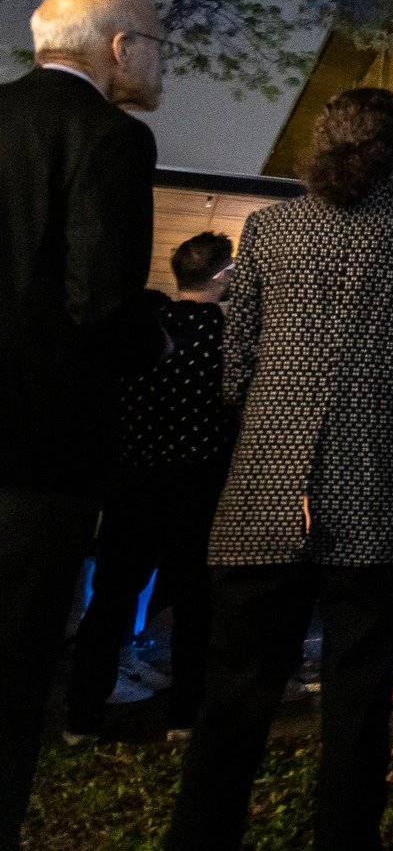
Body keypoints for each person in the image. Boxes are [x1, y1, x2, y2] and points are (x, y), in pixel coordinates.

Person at [166, 87, 393, 850]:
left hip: (265, 488)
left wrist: (270, 427)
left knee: (234, 696)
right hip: (380, 490)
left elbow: (237, 364)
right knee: (360, 702)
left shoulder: (266, 230)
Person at [0, 0, 165, 842]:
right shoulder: (110, 138)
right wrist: (160, 331)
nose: (160, 62)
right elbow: (100, 301)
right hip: (37, 452)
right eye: (157, 44)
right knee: (15, 671)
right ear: (117, 47)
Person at [63, 232, 237, 743]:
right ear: (222, 276)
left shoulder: (147, 329)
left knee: (112, 597)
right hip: (200, 484)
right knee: (194, 602)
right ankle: (184, 715)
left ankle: (82, 715)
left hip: (135, 482)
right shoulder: (227, 338)